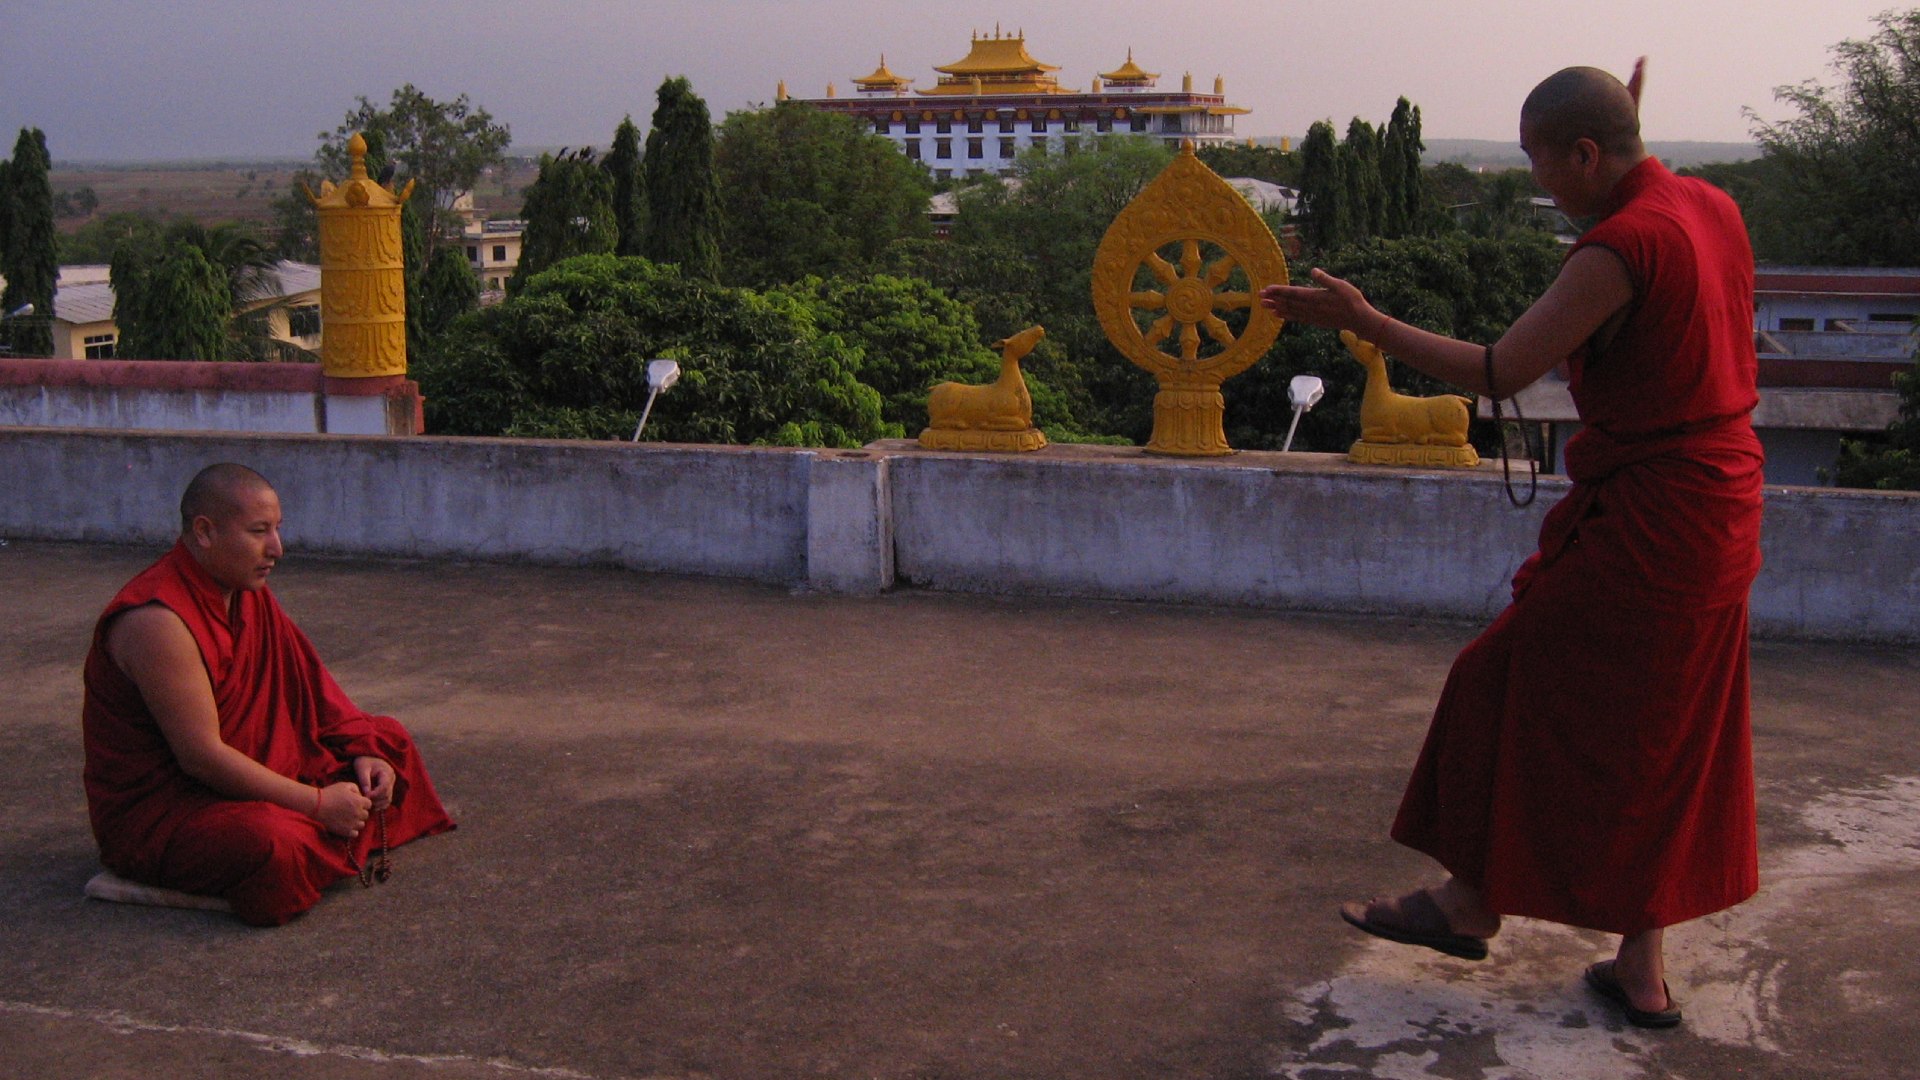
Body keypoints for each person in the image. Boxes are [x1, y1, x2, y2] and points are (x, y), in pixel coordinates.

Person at [1258, 60, 1763, 1030]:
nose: (1540, 188)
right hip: (1723, 507)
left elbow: (1500, 371)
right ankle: (1641, 965)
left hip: (1657, 520)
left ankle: (1469, 899)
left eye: (1547, 166)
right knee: (1668, 730)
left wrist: (1365, 322)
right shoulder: (1710, 206)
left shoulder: (1617, 250)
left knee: (1498, 675)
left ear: (1586, 153)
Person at [82, 463, 454, 926]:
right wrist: (319, 805)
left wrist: (361, 752)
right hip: (172, 812)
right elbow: (201, 758)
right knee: (276, 845)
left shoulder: (243, 590)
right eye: (259, 532)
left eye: (277, 530)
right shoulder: (157, 622)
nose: (276, 549)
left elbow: (314, 697)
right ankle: (271, 859)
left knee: (389, 743)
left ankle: (318, 835)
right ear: (205, 531)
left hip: (253, 775)